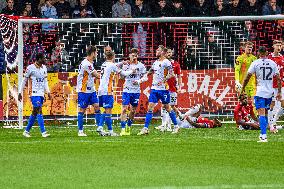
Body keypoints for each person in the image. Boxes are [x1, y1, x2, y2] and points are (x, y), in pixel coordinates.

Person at [135, 45, 179, 135]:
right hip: (154, 89)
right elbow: (150, 72)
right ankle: (145, 128)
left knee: (167, 107)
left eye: (158, 50)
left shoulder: (166, 62)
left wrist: (164, 80)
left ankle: (176, 126)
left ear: (162, 52)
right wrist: (140, 80)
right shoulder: (155, 62)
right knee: (150, 107)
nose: (156, 51)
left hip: (163, 89)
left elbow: (172, 74)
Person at [241, 46, 281, 142]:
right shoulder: (272, 63)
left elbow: (247, 77)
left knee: (261, 114)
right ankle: (265, 132)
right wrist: (279, 92)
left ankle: (263, 136)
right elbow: (278, 78)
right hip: (270, 92)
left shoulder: (256, 63)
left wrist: (242, 88)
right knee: (266, 113)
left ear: (258, 53)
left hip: (260, 92)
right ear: (266, 53)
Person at [97, 50, 136, 136]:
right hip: (107, 90)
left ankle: (100, 126)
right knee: (109, 110)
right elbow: (123, 73)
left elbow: (114, 66)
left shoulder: (104, 64)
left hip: (100, 90)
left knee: (106, 110)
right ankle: (110, 131)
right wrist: (132, 71)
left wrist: (122, 62)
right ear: (113, 57)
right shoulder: (112, 65)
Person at [18, 53, 51, 138]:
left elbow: (45, 81)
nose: (45, 59)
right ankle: (43, 132)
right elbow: (24, 80)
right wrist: (19, 92)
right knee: (39, 110)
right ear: (39, 59)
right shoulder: (30, 68)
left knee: (35, 112)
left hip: (41, 94)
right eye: (43, 58)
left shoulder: (44, 68)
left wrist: (48, 92)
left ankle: (26, 131)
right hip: (34, 93)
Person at [120, 48, 146, 136]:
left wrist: (139, 81)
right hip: (127, 90)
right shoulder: (126, 65)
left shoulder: (141, 66)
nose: (134, 57)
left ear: (137, 56)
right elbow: (122, 77)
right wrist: (127, 72)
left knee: (133, 110)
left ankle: (128, 126)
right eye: (132, 55)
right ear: (129, 56)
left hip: (136, 91)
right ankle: (123, 129)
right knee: (124, 109)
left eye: (135, 55)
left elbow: (145, 77)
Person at [76, 45, 101, 137]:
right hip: (83, 91)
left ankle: (99, 128)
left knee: (97, 107)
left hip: (92, 90)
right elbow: (96, 75)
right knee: (82, 110)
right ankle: (80, 131)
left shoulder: (90, 62)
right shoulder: (86, 64)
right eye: (96, 52)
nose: (97, 54)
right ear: (92, 53)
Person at [157, 48, 181, 131]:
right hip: (164, 88)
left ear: (172, 53)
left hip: (173, 88)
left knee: (171, 106)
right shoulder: (162, 63)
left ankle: (169, 125)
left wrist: (180, 86)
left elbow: (178, 76)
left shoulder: (176, 64)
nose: (169, 54)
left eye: (170, 52)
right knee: (164, 106)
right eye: (167, 52)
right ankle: (164, 124)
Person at [268, 40, 284, 132]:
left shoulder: (282, 58)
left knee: (281, 104)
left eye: (280, 45)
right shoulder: (269, 58)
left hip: (281, 85)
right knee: (273, 105)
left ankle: (273, 123)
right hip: (271, 85)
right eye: (277, 45)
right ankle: (271, 125)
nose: (279, 47)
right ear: (273, 46)